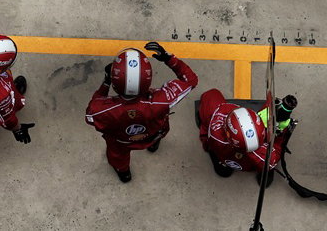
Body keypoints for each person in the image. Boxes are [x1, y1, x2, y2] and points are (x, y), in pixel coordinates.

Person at [85, 42, 197, 183]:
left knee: (118, 157)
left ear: (115, 81)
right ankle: (153, 146)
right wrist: (169, 58)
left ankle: (124, 173)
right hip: (154, 133)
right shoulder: (162, 100)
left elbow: (90, 114)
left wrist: (105, 83)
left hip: (122, 142)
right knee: (158, 133)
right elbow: (191, 80)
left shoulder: (103, 110)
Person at [196, 88, 294, 182]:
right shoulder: (264, 158)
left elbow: (210, 94)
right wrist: (280, 135)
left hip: (222, 154)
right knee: (266, 169)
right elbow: (276, 151)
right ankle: (264, 175)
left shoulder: (219, 114)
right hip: (249, 164)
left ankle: (220, 163)